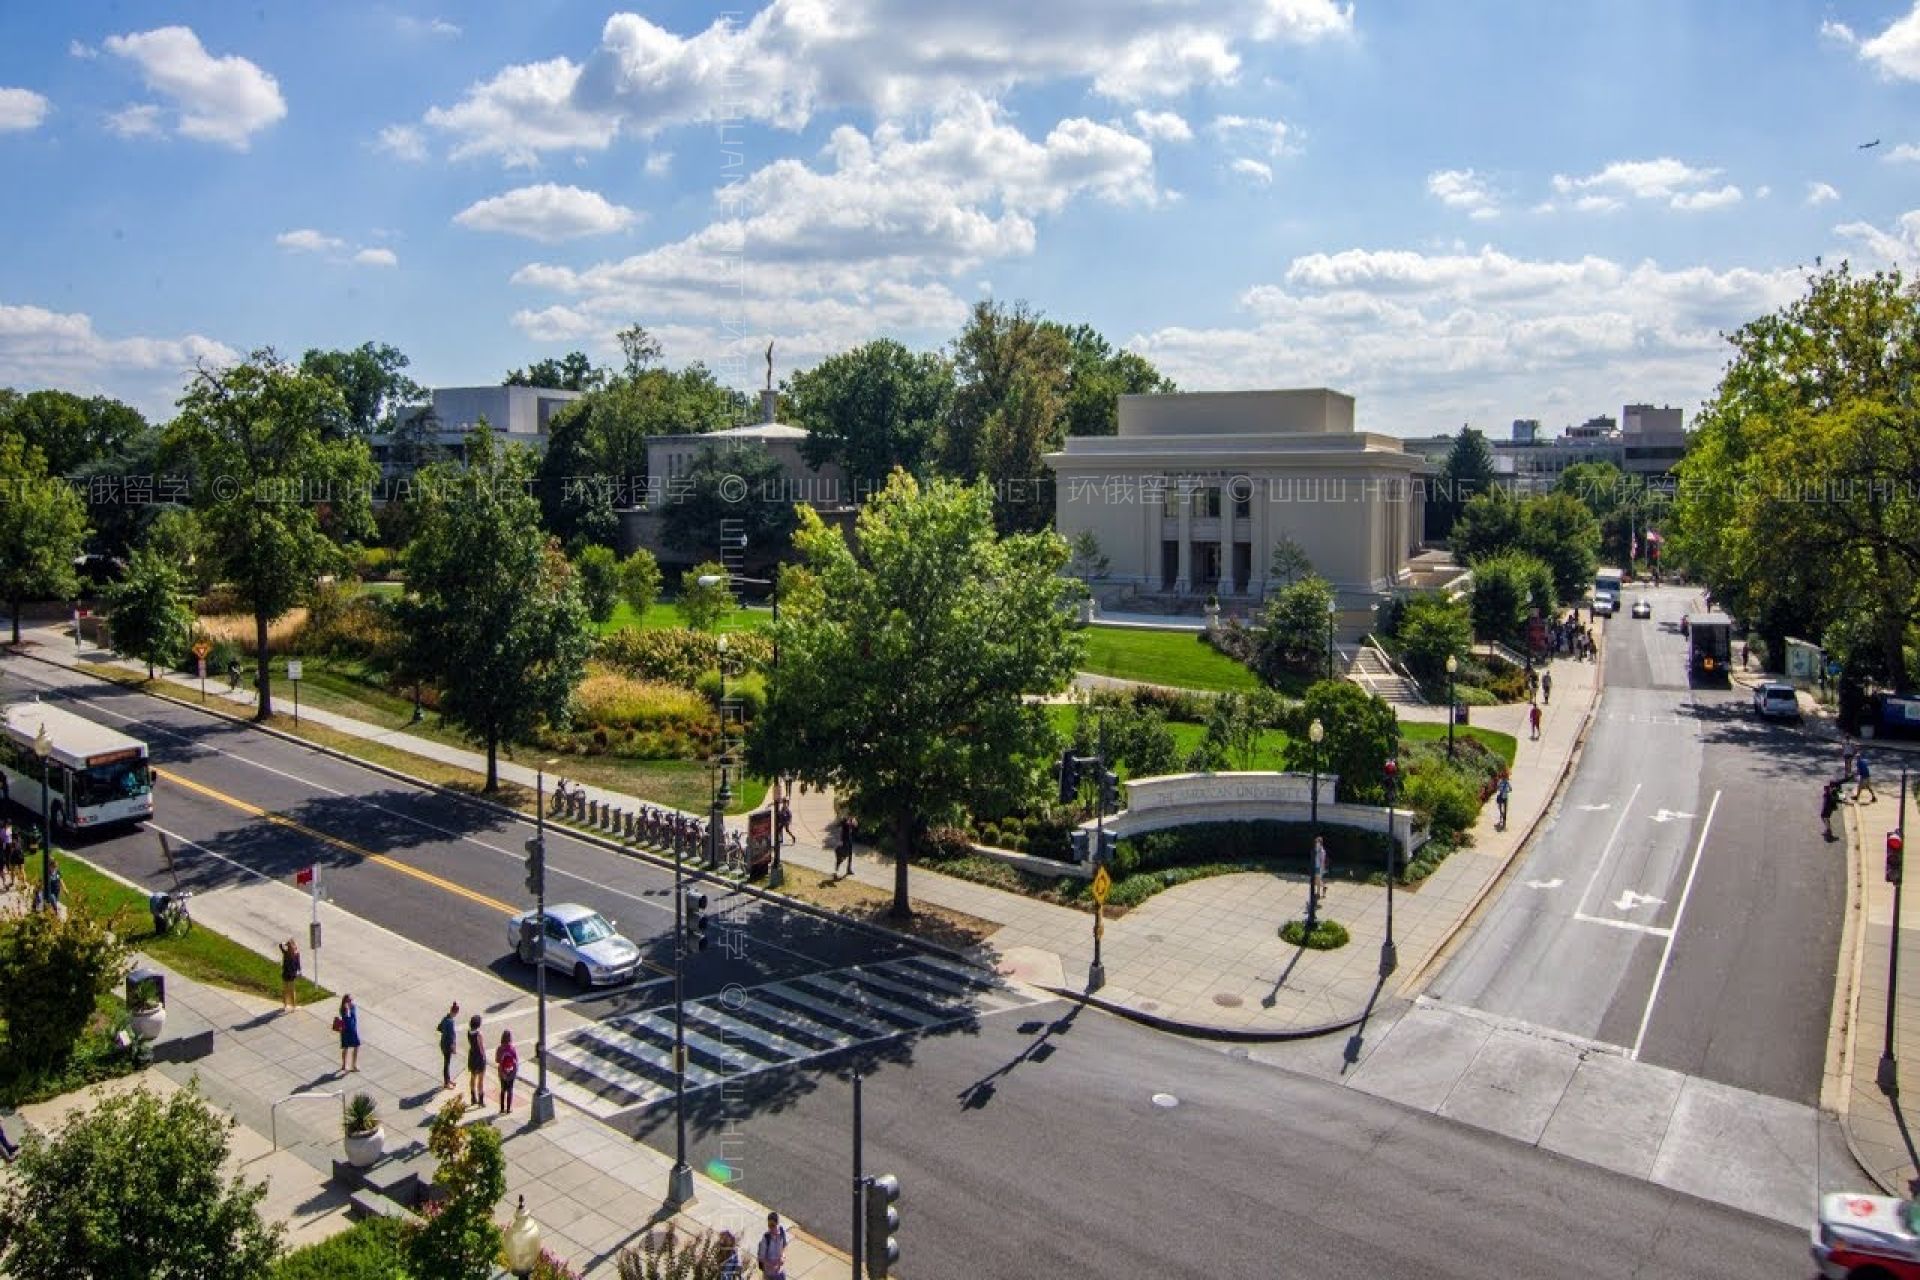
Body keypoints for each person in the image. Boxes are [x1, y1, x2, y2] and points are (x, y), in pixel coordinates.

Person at [756, 1211, 790, 1280]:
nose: (770, 1228)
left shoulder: (782, 1232)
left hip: (780, 1272)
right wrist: (772, 1265)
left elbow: (784, 1245)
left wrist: (783, 1256)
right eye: (769, 1226)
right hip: (769, 1275)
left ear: (777, 1224)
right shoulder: (766, 1238)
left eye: (772, 1225)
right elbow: (761, 1258)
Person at [495, 1028, 520, 1115]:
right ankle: (508, 1109)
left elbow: (497, 1060)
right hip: (511, 1072)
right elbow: (516, 1060)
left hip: (502, 1072)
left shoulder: (500, 1048)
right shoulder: (512, 1048)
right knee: (510, 1090)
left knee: (503, 1089)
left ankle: (502, 1108)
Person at [437, 1001, 460, 1090]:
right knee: (446, 1064)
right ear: (456, 1012)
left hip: (443, 1043)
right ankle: (446, 1083)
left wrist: (444, 1033)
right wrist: (453, 1048)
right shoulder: (450, 1022)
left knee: (447, 1063)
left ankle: (448, 1079)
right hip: (447, 1046)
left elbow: (439, 1028)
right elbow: (452, 1037)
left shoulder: (445, 1018)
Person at [336, 994, 360, 1073]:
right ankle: (344, 1065)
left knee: (356, 1046)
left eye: (351, 1000)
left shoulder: (353, 1007)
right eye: (349, 1000)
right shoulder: (343, 1009)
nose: (351, 1002)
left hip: (353, 1029)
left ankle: (354, 1065)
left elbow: (353, 1017)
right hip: (346, 1030)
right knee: (345, 1047)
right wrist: (347, 1009)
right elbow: (346, 1017)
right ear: (345, 1001)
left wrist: (350, 1008)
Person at [466, 1014, 487, 1106]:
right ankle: (481, 1099)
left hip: (472, 1056)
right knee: (481, 1079)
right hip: (479, 1057)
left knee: (473, 1077)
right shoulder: (479, 1034)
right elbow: (481, 1047)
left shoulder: (469, 1032)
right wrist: (484, 1057)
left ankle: (473, 1097)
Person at [280, 939, 301, 1012]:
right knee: (292, 991)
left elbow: (280, 945)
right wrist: (299, 972)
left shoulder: (286, 953)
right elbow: (298, 964)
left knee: (285, 990)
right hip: (291, 975)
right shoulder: (296, 954)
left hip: (285, 974)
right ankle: (293, 1006)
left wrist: (285, 943)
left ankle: (285, 1006)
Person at [834, 814, 857, 878]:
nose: (851, 817)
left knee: (850, 855)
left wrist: (854, 823)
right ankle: (837, 869)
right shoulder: (844, 821)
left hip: (849, 841)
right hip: (844, 841)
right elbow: (840, 824)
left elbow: (855, 826)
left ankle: (848, 869)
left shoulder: (851, 821)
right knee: (843, 857)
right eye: (850, 816)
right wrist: (847, 821)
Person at [1310, 835, 1328, 903]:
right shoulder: (1316, 849)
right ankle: (1323, 887)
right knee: (1317, 880)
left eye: (1318, 842)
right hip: (1315, 866)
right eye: (1316, 842)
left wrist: (1322, 869)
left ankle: (1318, 893)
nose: (1316, 843)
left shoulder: (1322, 851)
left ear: (1320, 843)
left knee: (1317, 880)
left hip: (1319, 867)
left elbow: (1322, 861)